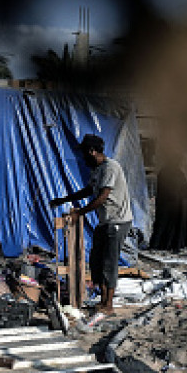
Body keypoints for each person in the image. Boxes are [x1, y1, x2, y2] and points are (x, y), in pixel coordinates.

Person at [49, 133, 134, 321]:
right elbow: (89, 190)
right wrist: (64, 200)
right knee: (96, 260)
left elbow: (102, 196)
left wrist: (80, 213)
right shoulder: (97, 170)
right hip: (106, 221)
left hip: (117, 221)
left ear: (92, 151)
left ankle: (108, 305)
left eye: (85, 154)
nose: (83, 159)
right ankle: (103, 301)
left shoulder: (111, 167)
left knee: (109, 262)